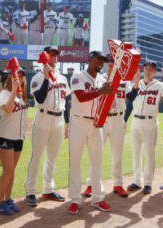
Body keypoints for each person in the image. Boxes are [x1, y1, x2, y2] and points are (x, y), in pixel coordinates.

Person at [83, 55, 136, 198]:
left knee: (117, 155)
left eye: (115, 61)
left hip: (118, 119)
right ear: (106, 64)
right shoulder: (100, 78)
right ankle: (91, 184)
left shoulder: (124, 80)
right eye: (110, 61)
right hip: (103, 119)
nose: (112, 64)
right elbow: (93, 97)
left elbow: (131, 97)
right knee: (96, 153)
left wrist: (125, 118)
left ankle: (118, 184)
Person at [67, 51, 113, 215]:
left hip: (96, 123)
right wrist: (101, 91)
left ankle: (97, 198)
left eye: (103, 61)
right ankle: (75, 200)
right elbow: (81, 97)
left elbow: (106, 101)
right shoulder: (78, 76)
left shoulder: (102, 79)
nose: (101, 63)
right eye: (99, 60)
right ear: (91, 59)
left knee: (97, 162)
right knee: (75, 162)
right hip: (78, 121)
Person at [25, 47, 70, 206]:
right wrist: (45, 77)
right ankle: (30, 191)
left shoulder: (63, 78)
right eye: (51, 54)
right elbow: (40, 98)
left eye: (57, 54)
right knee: (36, 157)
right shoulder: (37, 77)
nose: (55, 57)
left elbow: (66, 102)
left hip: (58, 120)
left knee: (52, 157)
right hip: (43, 117)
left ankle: (48, 189)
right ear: (45, 57)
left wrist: (67, 123)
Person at [126, 63, 163, 194]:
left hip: (150, 122)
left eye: (150, 69)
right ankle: (137, 181)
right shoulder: (136, 82)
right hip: (136, 121)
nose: (147, 70)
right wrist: (135, 84)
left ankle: (147, 183)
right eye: (145, 68)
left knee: (149, 153)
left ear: (154, 71)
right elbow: (129, 98)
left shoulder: (159, 85)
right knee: (136, 153)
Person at [0, 67, 28, 215]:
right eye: (15, 76)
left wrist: (18, 93)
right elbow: (7, 109)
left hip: (18, 138)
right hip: (4, 136)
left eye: (21, 76)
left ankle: (8, 199)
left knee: (12, 172)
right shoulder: (5, 94)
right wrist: (14, 90)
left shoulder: (21, 97)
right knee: (7, 171)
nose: (18, 78)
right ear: (9, 78)